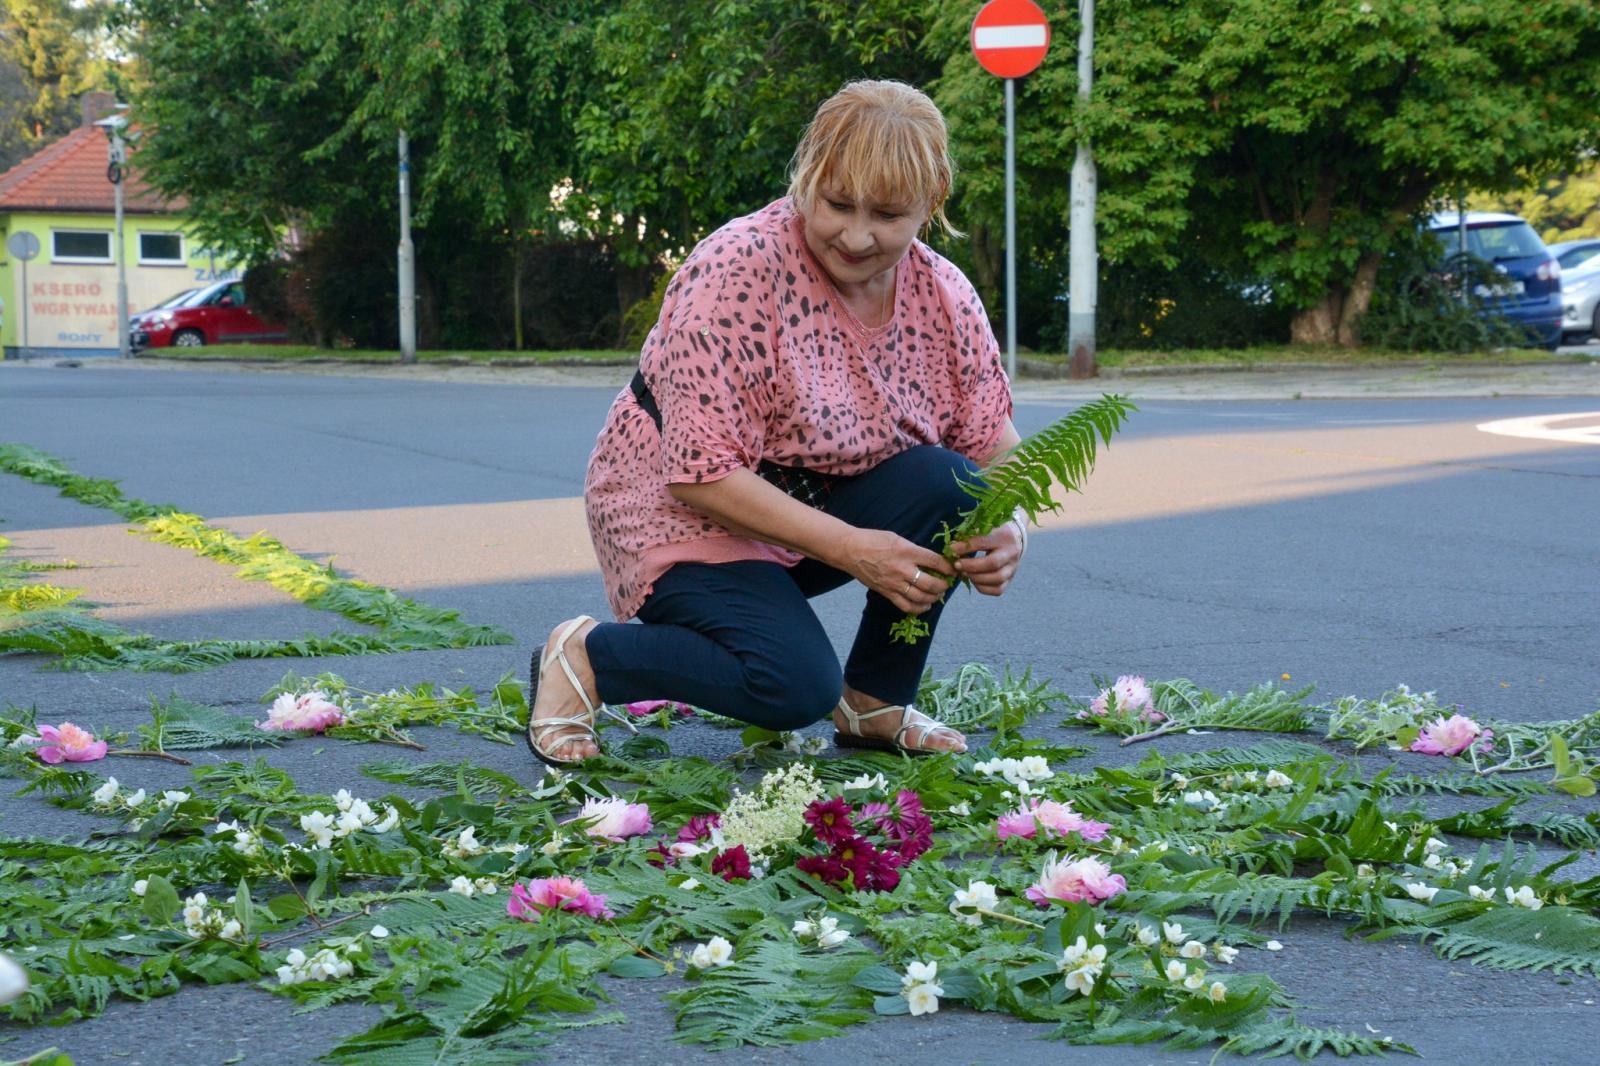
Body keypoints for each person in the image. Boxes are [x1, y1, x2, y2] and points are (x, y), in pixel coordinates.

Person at [527, 80, 1026, 767]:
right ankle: (585, 657)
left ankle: (874, 701)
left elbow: (993, 447)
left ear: (931, 203)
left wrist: (1009, 525)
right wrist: (857, 550)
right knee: (792, 686)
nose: (856, 235)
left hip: (814, 512)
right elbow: (700, 476)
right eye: (837, 203)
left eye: (887, 214)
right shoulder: (738, 268)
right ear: (806, 178)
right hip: (686, 515)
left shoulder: (944, 296)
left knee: (954, 484)